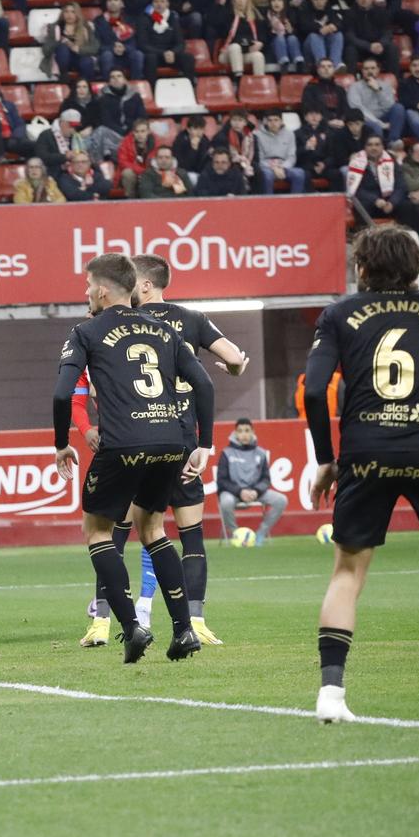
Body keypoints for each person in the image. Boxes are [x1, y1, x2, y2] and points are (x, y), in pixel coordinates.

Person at [52, 253, 215, 664]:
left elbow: (61, 393)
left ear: (103, 290)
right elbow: (205, 384)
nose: (86, 292)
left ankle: (131, 628)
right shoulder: (164, 330)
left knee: (97, 531)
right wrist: (205, 443)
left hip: (123, 444)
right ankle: (183, 631)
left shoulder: (86, 332)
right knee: (154, 528)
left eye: (88, 285)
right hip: (171, 443)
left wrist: (61, 443)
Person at [79, 255, 249, 646]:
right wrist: (236, 370)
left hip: (133, 437)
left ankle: (103, 621)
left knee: (113, 532)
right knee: (189, 535)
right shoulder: (192, 319)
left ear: (145, 285)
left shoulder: (117, 327)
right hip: (183, 441)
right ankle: (195, 621)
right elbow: (235, 359)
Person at [302, 224, 419, 721]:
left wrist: (326, 460)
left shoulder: (338, 314)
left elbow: (315, 391)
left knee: (348, 573)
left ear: (362, 268)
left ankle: (331, 696)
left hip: (366, 453)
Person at [211, 416, 287, 542]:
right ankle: (236, 535)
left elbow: (265, 479)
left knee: (281, 500)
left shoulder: (260, 453)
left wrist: (256, 491)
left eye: (247, 431)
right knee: (225, 502)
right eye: (240, 431)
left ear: (253, 432)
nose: (244, 434)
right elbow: (222, 481)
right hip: (233, 493)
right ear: (235, 434)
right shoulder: (226, 453)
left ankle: (261, 533)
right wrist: (240, 491)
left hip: (254, 493)